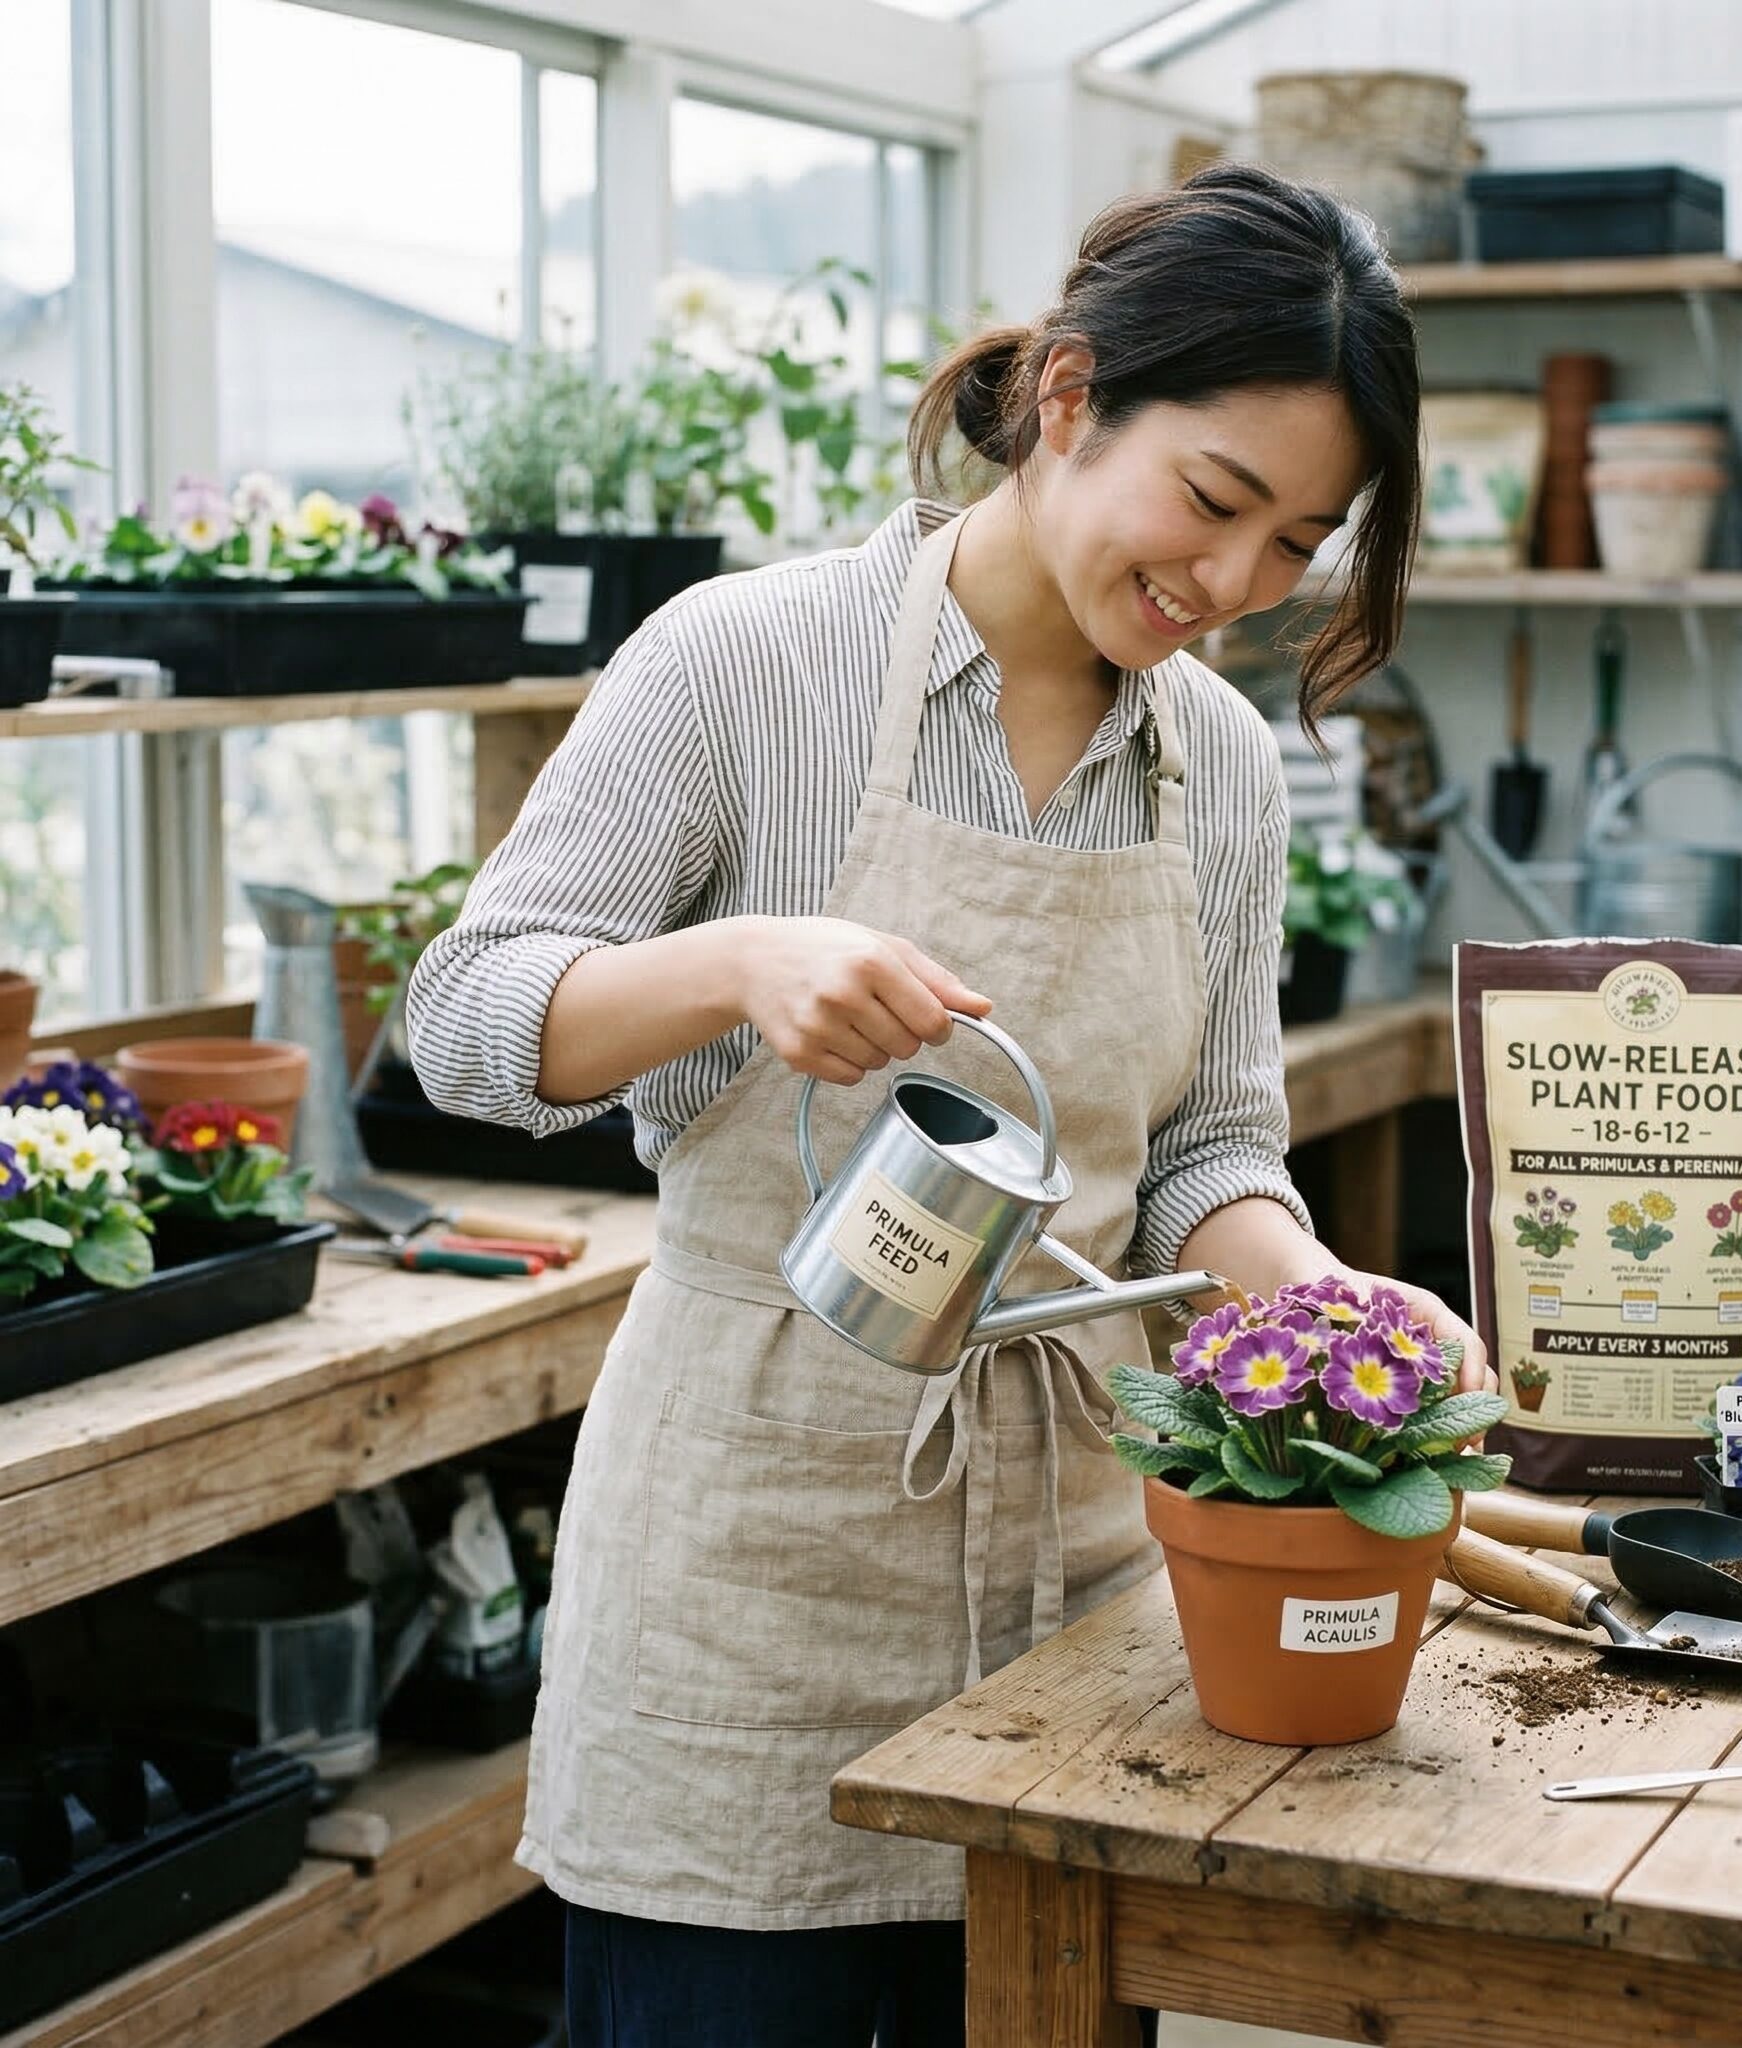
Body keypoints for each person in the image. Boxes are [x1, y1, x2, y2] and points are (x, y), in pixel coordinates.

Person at [407, 160, 1489, 2048]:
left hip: (1081, 1587)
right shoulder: (746, 661)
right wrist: (739, 966)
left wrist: (1317, 1304)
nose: (1230, 588)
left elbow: (1205, 1153)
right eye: (1214, 503)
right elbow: (469, 1018)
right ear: (1067, 397)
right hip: (749, 1581)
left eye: (1295, 544)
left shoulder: (1221, 764)